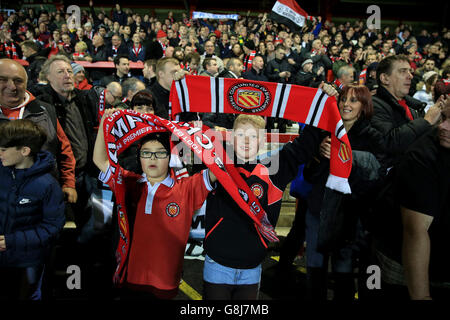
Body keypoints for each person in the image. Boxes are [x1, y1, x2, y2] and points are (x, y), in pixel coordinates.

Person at [202, 111, 328, 300]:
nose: (246, 141)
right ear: (231, 137)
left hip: (252, 268)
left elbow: (304, 146)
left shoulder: (273, 169)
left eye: (253, 136)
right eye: (241, 135)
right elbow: (188, 135)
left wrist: (322, 105)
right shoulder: (216, 164)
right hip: (217, 265)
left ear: (262, 141)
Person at [93, 108, 215, 299]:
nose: (152, 159)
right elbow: (99, 160)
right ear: (139, 157)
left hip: (165, 280)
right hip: (132, 277)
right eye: (146, 153)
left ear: (170, 158)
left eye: (160, 153)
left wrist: (210, 135)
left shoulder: (187, 187)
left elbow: (219, 168)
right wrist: (104, 124)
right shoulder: (129, 183)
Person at [369, 54, 444, 298]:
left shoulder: (410, 104)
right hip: (383, 204)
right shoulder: (374, 104)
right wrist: (427, 121)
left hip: (411, 196)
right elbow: (388, 142)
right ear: (384, 78)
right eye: (402, 71)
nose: (410, 76)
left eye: (410, 71)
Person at [303, 84, 384, 301]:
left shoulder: (373, 136)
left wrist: (344, 156)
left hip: (349, 214)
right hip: (318, 210)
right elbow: (310, 175)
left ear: (364, 106)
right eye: (343, 99)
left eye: (353, 100)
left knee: (344, 271)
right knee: (314, 269)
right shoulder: (323, 130)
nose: (346, 104)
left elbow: (376, 177)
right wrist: (319, 156)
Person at [0, 119, 65, 300]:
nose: (0, 153)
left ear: (25, 151)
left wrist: (11, 241)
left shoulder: (48, 186)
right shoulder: (2, 173)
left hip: (28, 262)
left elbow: (52, 228)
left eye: (4, 149)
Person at [0, 58, 77, 205]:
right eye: (3, 80)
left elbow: (64, 149)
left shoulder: (45, 111)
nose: (12, 87)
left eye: (18, 81)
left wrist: (68, 183)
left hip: (42, 200)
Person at [399, 98, 450, 300]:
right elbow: (415, 231)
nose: (443, 126)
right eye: (444, 117)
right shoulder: (422, 155)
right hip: (403, 261)